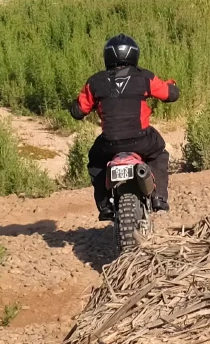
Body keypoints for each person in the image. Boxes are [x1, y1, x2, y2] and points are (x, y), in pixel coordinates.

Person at [70, 34, 180, 221]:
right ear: (134, 55)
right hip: (142, 139)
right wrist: (172, 85)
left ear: (108, 57)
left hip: (110, 143)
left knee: (95, 160)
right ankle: (159, 197)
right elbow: (171, 94)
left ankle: (105, 205)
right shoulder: (144, 77)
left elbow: (78, 111)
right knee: (159, 152)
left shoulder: (95, 81)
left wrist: (74, 104)